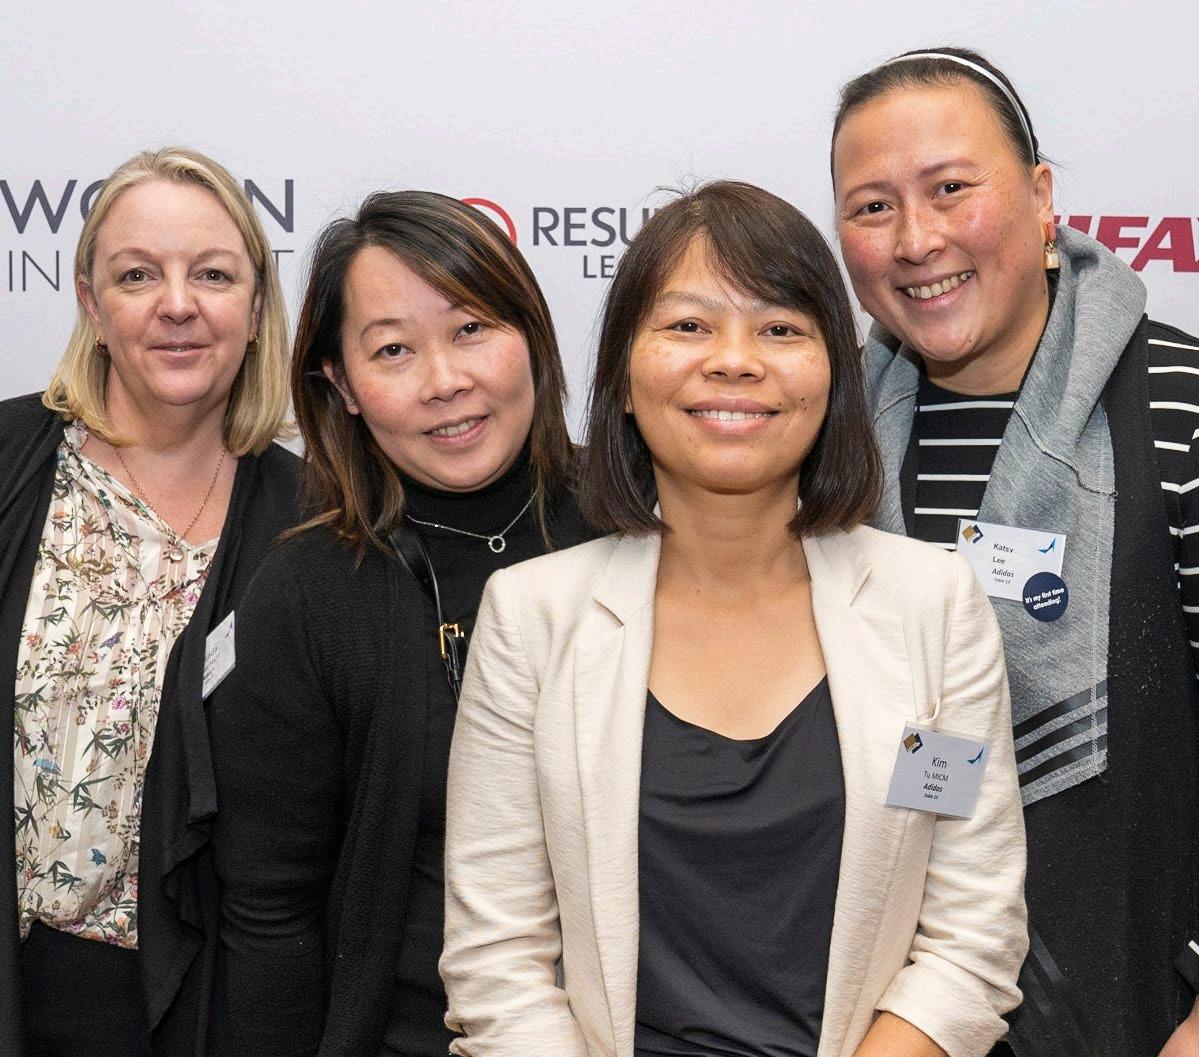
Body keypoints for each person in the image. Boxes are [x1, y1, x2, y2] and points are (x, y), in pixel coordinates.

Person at [441, 180, 1028, 1057]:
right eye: (688, 325)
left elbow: (972, 933)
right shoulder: (532, 618)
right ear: (623, 378)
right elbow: (496, 958)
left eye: (780, 328)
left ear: (832, 377)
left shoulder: (932, 608)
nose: (734, 360)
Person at [831, 46, 1199, 1057]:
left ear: (1040, 199)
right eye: (871, 207)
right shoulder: (825, 444)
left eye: (950, 189)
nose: (916, 239)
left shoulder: (1178, 408)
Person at [209, 189, 591, 1057]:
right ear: (342, 385)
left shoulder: (644, 522)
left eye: (471, 328)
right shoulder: (307, 593)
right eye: (393, 349)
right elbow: (269, 908)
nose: (444, 380)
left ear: (532, 332)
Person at [0, 147, 298, 1057]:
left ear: (256, 308)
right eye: (138, 275)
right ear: (93, 306)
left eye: (213, 274)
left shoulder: (315, 526)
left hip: (206, 1008)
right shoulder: (9, 463)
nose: (177, 304)